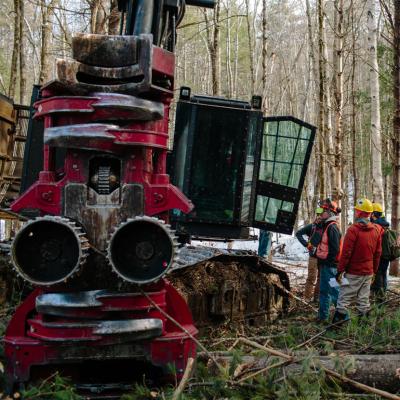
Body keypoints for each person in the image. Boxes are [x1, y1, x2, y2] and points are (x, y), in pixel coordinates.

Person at [333, 198, 383, 322]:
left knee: (343, 299)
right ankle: (364, 328)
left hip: (353, 272)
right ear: (370, 213)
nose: (355, 212)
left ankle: (336, 327)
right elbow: (378, 253)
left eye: (356, 210)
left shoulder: (353, 230)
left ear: (359, 213)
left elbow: (346, 253)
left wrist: (340, 270)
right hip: (368, 272)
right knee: (364, 300)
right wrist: (374, 271)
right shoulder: (376, 230)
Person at [315, 199, 342, 322]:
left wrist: (328, 262)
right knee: (324, 292)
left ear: (330, 212)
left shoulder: (332, 228)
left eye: (323, 211)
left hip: (330, 266)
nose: (321, 213)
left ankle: (343, 317)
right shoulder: (326, 226)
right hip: (325, 266)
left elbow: (335, 249)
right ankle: (322, 317)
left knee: (335, 291)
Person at [295, 207, 324, 302]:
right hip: (313, 257)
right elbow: (298, 233)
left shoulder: (327, 227)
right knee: (311, 277)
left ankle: (317, 298)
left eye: (321, 216)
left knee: (321, 278)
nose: (319, 218)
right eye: (318, 216)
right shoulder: (312, 227)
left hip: (323, 257)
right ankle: (306, 298)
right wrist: (307, 245)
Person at [370, 202, 390, 300]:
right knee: (383, 274)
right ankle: (383, 294)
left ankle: (379, 298)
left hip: (379, 255)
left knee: (378, 275)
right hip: (386, 255)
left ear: (373, 214)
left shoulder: (375, 226)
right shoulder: (385, 224)